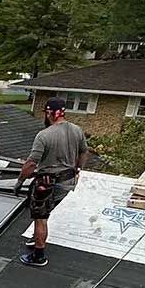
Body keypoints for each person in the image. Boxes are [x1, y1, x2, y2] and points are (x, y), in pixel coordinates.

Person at [17, 96, 88, 266]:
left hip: (48, 182)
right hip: (68, 181)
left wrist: (20, 180)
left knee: (41, 217)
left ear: (50, 113)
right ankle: (36, 239)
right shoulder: (77, 130)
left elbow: (32, 163)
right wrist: (77, 169)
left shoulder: (44, 135)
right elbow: (84, 152)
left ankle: (38, 255)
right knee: (45, 214)